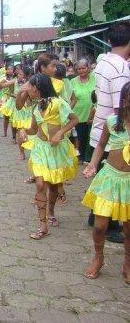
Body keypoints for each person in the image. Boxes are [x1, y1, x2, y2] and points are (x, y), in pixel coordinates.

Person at [18, 74, 79, 240]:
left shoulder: (58, 103)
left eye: (29, 87)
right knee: (40, 184)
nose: (28, 91)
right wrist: (23, 131)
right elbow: (33, 129)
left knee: (54, 186)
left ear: (37, 88)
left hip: (56, 150)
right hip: (40, 149)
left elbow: (74, 120)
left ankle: (51, 211)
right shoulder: (36, 107)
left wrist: (60, 132)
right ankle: (43, 225)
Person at [82, 82, 130, 282]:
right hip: (109, 178)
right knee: (100, 226)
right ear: (124, 100)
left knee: (128, 228)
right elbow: (101, 145)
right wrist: (93, 164)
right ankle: (98, 258)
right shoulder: (112, 122)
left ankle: (127, 262)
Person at [88, 22, 130, 244]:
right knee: (112, 184)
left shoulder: (103, 61)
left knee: (102, 182)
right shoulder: (121, 69)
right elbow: (120, 106)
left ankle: (96, 217)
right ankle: (109, 225)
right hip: (114, 134)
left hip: (100, 128)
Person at [71, 59, 96, 163]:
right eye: (79, 69)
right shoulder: (72, 82)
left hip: (93, 114)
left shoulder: (95, 79)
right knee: (80, 137)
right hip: (78, 115)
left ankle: (89, 159)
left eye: (83, 68)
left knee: (91, 137)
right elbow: (70, 98)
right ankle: (80, 157)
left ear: (88, 68)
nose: (81, 70)